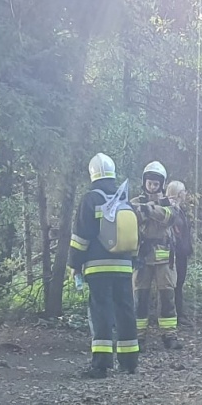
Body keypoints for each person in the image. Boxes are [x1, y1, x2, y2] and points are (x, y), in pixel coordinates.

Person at [68, 153, 140, 377]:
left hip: (98, 267)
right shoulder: (123, 198)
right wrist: (132, 260)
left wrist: (74, 264)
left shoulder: (90, 199)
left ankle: (101, 365)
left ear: (92, 174)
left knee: (101, 312)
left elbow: (81, 236)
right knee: (125, 310)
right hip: (124, 266)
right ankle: (129, 363)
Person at [134, 161, 181, 349]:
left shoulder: (170, 203)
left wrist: (150, 209)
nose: (152, 186)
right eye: (149, 183)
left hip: (164, 259)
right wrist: (147, 210)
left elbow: (170, 216)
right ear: (144, 182)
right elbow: (135, 215)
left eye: (155, 183)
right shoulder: (136, 201)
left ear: (162, 184)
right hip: (142, 257)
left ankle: (169, 335)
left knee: (168, 297)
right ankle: (138, 337)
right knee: (140, 298)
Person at [167, 179, 193, 326]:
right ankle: (175, 314)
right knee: (174, 282)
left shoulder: (179, 208)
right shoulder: (172, 208)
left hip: (181, 252)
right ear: (178, 193)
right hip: (174, 253)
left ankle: (179, 313)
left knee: (179, 282)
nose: (185, 194)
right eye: (183, 191)